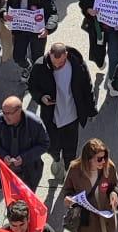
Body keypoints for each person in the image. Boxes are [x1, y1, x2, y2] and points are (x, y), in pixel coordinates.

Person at [27, 41, 97, 173]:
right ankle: (56, 159)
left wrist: (91, 110)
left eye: (61, 63)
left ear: (66, 55)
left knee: (70, 149)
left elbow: (87, 86)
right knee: (52, 147)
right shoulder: (40, 66)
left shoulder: (77, 64)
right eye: (55, 63)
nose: (57, 66)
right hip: (52, 117)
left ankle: (68, 171)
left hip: (72, 116)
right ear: (50, 55)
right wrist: (41, 98)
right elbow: (32, 87)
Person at [0, 93, 49, 192]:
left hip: (29, 172)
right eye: (3, 112)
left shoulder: (34, 123)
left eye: (8, 113)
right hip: (6, 172)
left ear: (19, 111)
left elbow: (44, 144)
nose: (5, 116)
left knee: (27, 202)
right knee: (11, 199)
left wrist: (24, 158)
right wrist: (3, 155)